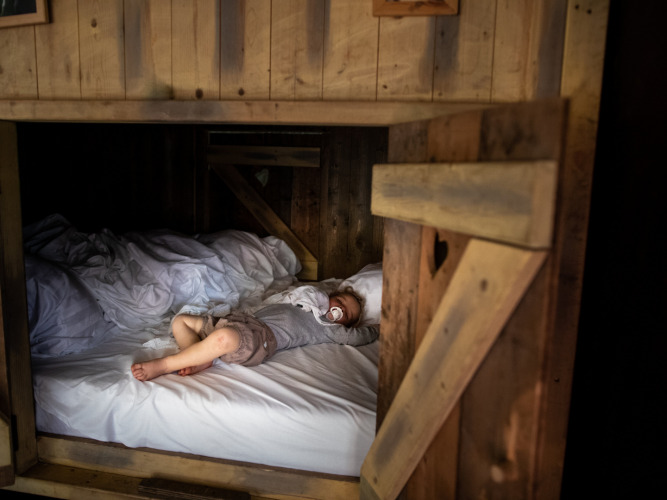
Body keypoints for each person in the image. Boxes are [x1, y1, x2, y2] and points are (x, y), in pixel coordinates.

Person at [131, 288, 378, 381]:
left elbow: (357, 337)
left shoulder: (329, 329)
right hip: (241, 321)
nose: (339, 309)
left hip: (261, 338)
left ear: (345, 324)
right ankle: (197, 357)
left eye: (346, 314)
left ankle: (165, 365)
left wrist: (380, 328)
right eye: (340, 301)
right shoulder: (305, 301)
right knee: (181, 321)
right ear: (329, 296)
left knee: (224, 338)